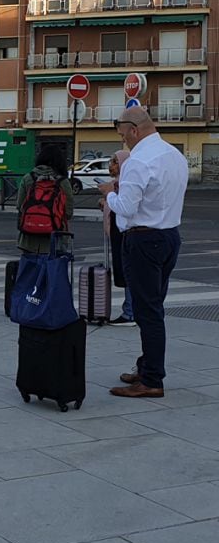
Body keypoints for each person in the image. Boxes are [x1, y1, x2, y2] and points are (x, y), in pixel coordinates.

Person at [99, 107, 188, 398]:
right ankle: (147, 366)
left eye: (123, 133)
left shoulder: (138, 161)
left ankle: (151, 380)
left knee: (147, 312)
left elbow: (125, 207)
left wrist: (108, 192)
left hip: (143, 239)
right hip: (169, 236)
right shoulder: (174, 155)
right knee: (154, 306)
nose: (123, 139)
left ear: (134, 130)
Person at [16, 144, 75, 254]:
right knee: (53, 270)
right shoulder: (63, 182)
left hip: (28, 240)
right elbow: (68, 212)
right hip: (55, 239)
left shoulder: (28, 178)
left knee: (30, 270)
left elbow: (19, 206)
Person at [100, 150, 134, 327]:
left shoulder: (125, 185)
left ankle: (130, 312)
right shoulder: (114, 185)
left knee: (129, 271)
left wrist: (110, 195)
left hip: (125, 233)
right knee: (124, 270)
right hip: (116, 232)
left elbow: (124, 206)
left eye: (115, 161)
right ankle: (130, 310)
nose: (111, 165)